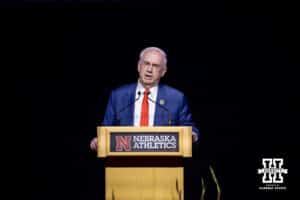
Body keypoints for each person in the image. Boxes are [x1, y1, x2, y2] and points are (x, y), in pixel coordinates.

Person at [90, 47, 199, 151]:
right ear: (138, 66)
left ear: (163, 72)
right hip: (124, 163)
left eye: (155, 66)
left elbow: (188, 128)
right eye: (146, 63)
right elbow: (106, 129)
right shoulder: (118, 96)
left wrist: (192, 135)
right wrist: (98, 141)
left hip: (163, 164)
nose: (149, 69)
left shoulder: (176, 98)